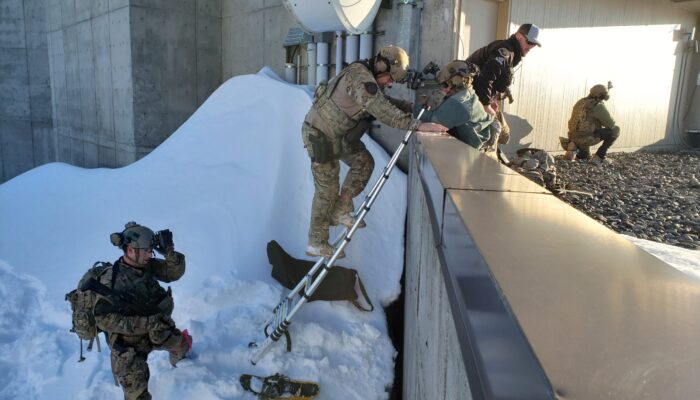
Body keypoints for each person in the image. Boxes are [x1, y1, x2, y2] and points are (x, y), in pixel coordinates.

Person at [302, 45, 448, 259]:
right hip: (320, 135)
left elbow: (382, 101)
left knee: (364, 162)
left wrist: (410, 107)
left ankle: (341, 209)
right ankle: (316, 242)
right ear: (382, 67)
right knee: (327, 188)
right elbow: (380, 109)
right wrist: (418, 125)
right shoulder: (360, 78)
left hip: (337, 137)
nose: (390, 83)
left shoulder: (368, 77)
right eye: (389, 79)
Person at [94, 222, 191, 400]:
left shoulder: (146, 264)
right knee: (136, 394)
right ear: (131, 250)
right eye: (147, 250)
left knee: (183, 346)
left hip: (157, 330)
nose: (150, 254)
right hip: (129, 345)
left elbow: (173, 273)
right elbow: (103, 319)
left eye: (151, 250)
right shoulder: (110, 280)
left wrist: (168, 251)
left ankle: (185, 370)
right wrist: (145, 323)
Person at [466, 23, 542, 145]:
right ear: (518, 36)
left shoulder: (512, 53)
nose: (531, 47)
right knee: (493, 132)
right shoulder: (505, 52)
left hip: (476, 98)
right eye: (529, 42)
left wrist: (491, 100)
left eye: (534, 44)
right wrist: (486, 105)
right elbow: (485, 78)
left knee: (502, 134)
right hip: (469, 100)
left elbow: (495, 80)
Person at [415, 60, 498, 149]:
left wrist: (419, 97)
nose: (446, 83)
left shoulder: (458, 102)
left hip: (476, 151)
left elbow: (432, 121)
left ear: (457, 80)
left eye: (448, 81)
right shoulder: (466, 91)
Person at [564, 84, 620, 163]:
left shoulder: (580, 102)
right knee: (616, 130)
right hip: (587, 138)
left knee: (585, 157)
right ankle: (599, 156)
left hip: (572, 136)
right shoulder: (598, 106)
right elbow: (610, 124)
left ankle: (574, 148)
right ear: (603, 96)